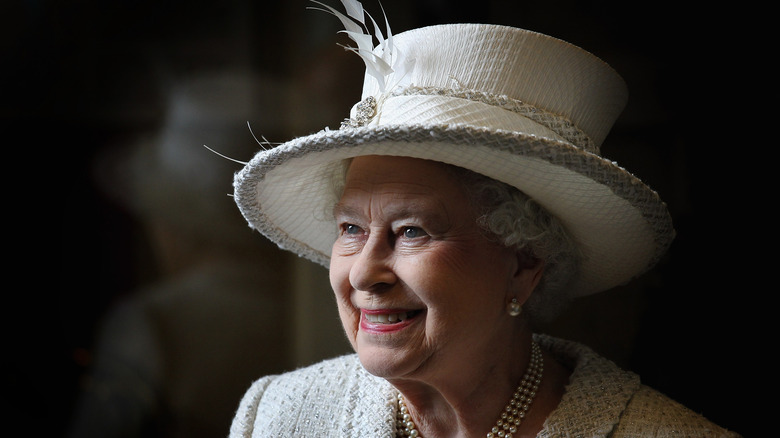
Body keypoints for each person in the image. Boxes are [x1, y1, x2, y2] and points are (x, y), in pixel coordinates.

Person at [227, 1, 742, 436]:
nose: (362, 273)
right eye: (351, 229)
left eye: (410, 232)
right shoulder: (276, 415)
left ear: (524, 261)